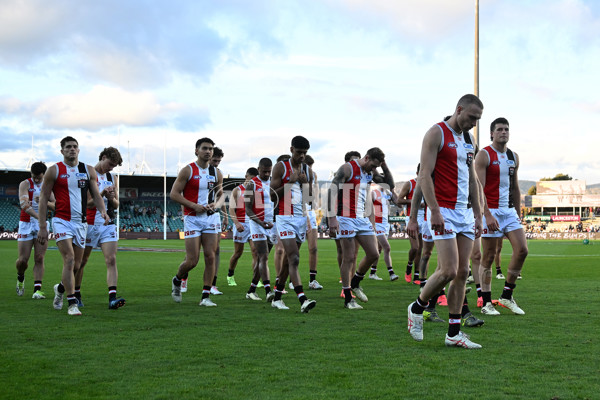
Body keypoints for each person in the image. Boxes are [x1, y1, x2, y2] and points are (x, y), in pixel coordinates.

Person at [406, 94, 484, 349]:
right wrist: (433, 211)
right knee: (448, 270)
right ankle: (417, 307)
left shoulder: (468, 139)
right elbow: (424, 176)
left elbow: (472, 179)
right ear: (459, 109)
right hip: (444, 211)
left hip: (463, 212)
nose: (474, 123)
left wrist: (478, 212)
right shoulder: (436, 133)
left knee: (462, 272)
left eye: (478, 119)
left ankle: (453, 333)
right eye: (472, 117)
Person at [37, 136, 108, 316]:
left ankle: (60, 288)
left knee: (76, 265)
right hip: (61, 220)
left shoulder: (87, 170)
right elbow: (44, 199)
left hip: (81, 222)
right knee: (68, 259)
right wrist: (43, 226)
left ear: (79, 149)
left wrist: (102, 211)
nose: (72, 149)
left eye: (75, 146)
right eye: (68, 147)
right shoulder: (54, 171)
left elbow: (96, 195)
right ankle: (71, 303)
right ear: (62, 151)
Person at [328, 147, 395, 310]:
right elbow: (332, 191)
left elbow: (390, 185)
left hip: (362, 218)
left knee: (373, 253)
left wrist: (384, 166)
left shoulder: (370, 173)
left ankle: (356, 282)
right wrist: (331, 219)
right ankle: (348, 298)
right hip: (346, 218)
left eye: (376, 167)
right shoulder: (347, 168)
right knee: (349, 257)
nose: (374, 170)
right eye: (373, 165)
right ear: (366, 158)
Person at [475, 117, 528, 316]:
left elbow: (514, 186)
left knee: (522, 250)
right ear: (492, 133)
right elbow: (478, 188)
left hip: (509, 211)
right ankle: (487, 303)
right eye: (499, 129)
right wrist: (486, 214)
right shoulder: (484, 155)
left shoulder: (514, 156)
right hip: (491, 210)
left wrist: (518, 211)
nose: (503, 132)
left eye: (506, 129)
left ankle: (507, 295)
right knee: (488, 257)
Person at [170, 137, 224, 307]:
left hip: (210, 218)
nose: (208, 151)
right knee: (192, 260)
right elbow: (174, 194)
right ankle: (177, 279)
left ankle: (205, 296)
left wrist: (216, 205)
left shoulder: (217, 173)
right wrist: (194, 206)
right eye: (205, 148)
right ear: (196, 151)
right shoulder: (187, 170)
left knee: (210, 257)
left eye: (211, 149)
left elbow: (221, 195)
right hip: (192, 219)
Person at [74, 147, 126, 310]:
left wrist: (111, 197)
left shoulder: (112, 177)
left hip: (108, 223)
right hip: (89, 223)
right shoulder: (88, 174)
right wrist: (103, 193)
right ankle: (76, 294)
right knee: (82, 262)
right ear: (102, 157)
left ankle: (112, 298)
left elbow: (117, 204)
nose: (111, 168)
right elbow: (87, 203)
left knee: (111, 259)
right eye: (110, 164)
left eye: (114, 166)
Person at [270, 136, 317, 312]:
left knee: (288, 261)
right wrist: (290, 182)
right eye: (299, 152)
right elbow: (272, 195)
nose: (302, 156)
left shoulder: (308, 171)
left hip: (301, 219)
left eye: (305, 153)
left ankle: (277, 298)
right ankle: (302, 298)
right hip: (284, 218)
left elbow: (310, 200)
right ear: (291, 150)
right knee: (294, 257)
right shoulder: (281, 167)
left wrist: (305, 184)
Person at [15, 162, 55, 299]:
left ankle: (37, 290)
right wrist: (40, 218)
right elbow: (24, 205)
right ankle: (20, 277)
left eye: (39, 177)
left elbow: (55, 205)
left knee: (39, 258)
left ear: (44, 175)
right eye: (34, 177)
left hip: (41, 225)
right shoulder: (25, 184)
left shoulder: (48, 185)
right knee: (22, 261)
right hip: (26, 223)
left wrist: (45, 202)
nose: (36, 180)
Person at [244, 158, 278, 305]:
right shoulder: (252, 185)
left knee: (262, 259)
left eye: (269, 171)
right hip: (257, 224)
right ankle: (268, 291)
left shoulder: (274, 183)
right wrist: (260, 222)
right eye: (264, 171)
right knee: (263, 256)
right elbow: (248, 209)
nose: (266, 174)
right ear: (258, 169)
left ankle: (251, 290)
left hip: (272, 224)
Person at [227, 167, 259, 286]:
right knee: (238, 253)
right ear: (246, 176)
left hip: (253, 224)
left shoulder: (256, 191)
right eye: (251, 179)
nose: (253, 182)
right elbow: (231, 209)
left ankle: (256, 279)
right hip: (241, 224)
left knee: (255, 252)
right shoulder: (237, 190)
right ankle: (230, 275)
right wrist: (236, 223)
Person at [368, 182, 400, 281]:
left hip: (385, 224)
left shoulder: (388, 193)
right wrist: (371, 224)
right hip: (377, 224)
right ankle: (391, 273)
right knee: (387, 247)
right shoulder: (373, 192)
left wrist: (393, 190)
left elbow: (398, 203)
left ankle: (372, 273)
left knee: (379, 250)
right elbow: (368, 208)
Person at [397, 167, 421, 283]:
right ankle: (409, 265)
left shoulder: (431, 182)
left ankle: (417, 275)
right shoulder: (410, 184)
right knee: (415, 247)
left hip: (426, 218)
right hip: (412, 218)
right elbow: (399, 200)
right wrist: (414, 201)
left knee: (421, 249)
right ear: (417, 172)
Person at [303, 155, 323, 290]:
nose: (310, 169)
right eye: (308, 166)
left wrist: (317, 208)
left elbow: (315, 195)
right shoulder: (296, 175)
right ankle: (291, 279)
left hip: (310, 212)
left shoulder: (314, 176)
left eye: (311, 166)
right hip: (297, 212)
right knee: (293, 250)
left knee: (314, 248)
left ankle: (312, 280)